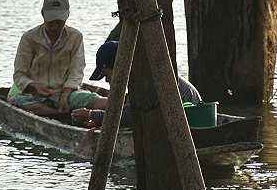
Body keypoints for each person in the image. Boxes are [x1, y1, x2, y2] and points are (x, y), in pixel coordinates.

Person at [8, 0, 107, 117]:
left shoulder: (75, 37)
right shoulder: (29, 38)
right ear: (43, 14)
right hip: (32, 95)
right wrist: (34, 86)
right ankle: (59, 113)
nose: (55, 27)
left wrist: (65, 95)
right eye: (51, 22)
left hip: (64, 93)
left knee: (102, 102)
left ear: (67, 16)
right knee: (17, 101)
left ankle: (65, 111)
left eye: (59, 22)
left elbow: (76, 72)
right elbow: (19, 75)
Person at [71, 40, 201, 127]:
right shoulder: (140, 74)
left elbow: (128, 117)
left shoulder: (142, 81)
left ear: (118, 67)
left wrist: (90, 114)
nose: (106, 80)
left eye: (106, 74)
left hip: (189, 120)